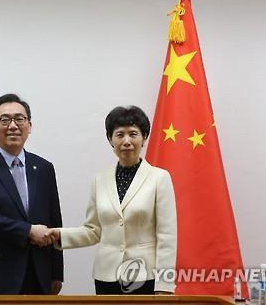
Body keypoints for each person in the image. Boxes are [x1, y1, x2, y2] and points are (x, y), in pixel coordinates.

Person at [48, 105, 177, 295]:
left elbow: (167, 237)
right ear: (110, 139)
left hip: (145, 276)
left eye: (133, 134)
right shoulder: (100, 180)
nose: (126, 141)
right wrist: (58, 235)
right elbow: (93, 231)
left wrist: (165, 286)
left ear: (144, 138)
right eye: (119, 134)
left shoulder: (160, 178)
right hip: (106, 276)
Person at [0, 94, 63, 295]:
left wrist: (56, 272)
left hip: (39, 274)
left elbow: (54, 221)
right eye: (5, 120)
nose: (13, 125)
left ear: (29, 125)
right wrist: (28, 231)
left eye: (19, 119)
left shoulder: (44, 168)